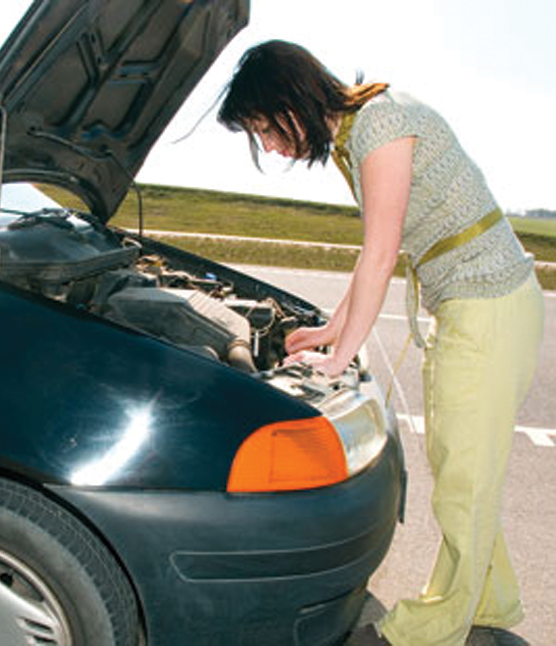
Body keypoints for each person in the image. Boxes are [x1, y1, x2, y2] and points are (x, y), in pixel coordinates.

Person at [217, 40, 544, 646]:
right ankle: (491, 599)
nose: (267, 145)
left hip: (489, 305)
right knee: (462, 468)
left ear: (292, 98)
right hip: (477, 306)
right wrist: (331, 331)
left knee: (464, 478)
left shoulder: (381, 123)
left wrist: (341, 356)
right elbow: (375, 258)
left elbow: (381, 252)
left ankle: (438, 626)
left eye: (264, 127)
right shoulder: (359, 133)